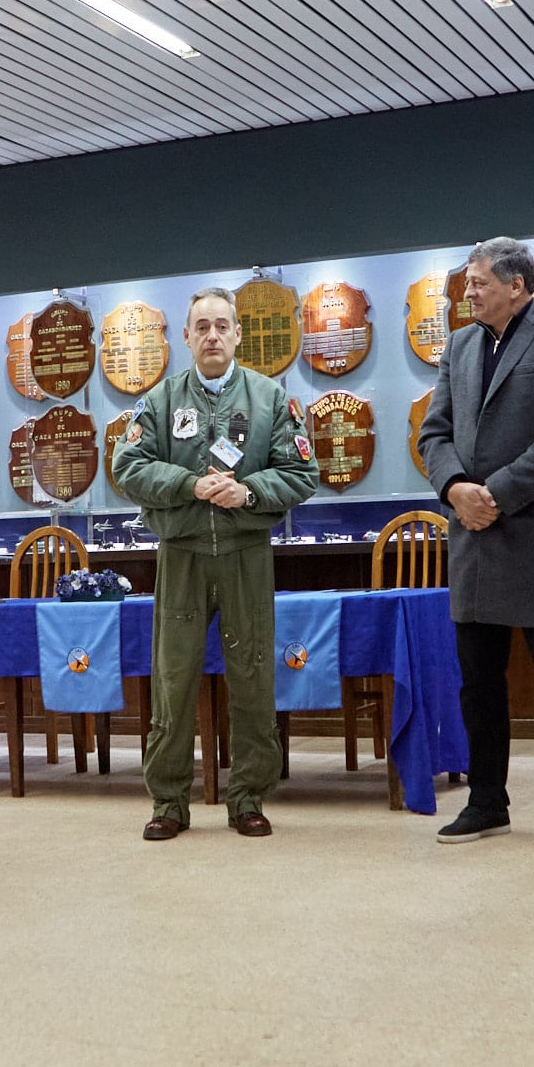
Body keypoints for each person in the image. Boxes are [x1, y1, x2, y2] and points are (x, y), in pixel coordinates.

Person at [111, 287, 320, 839]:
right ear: (185, 337)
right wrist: (187, 483)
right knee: (173, 679)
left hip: (245, 555)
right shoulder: (158, 402)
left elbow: (302, 475)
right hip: (180, 556)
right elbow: (127, 466)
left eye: (221, 326)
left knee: (252, 677)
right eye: (201, 326)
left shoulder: (271, 398)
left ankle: (248, 797)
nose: (211, 336)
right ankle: (169, 804)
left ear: (237, 335)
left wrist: (247, 492)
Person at [417, 237, 534, 851]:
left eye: (479, 282)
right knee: (478, 680)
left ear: (516, 285)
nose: (468, 292)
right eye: (468, 283)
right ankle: (487, 801)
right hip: (472, 539)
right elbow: (433, 433)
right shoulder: (461, 345)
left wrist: (493, 493)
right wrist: (455, 488)